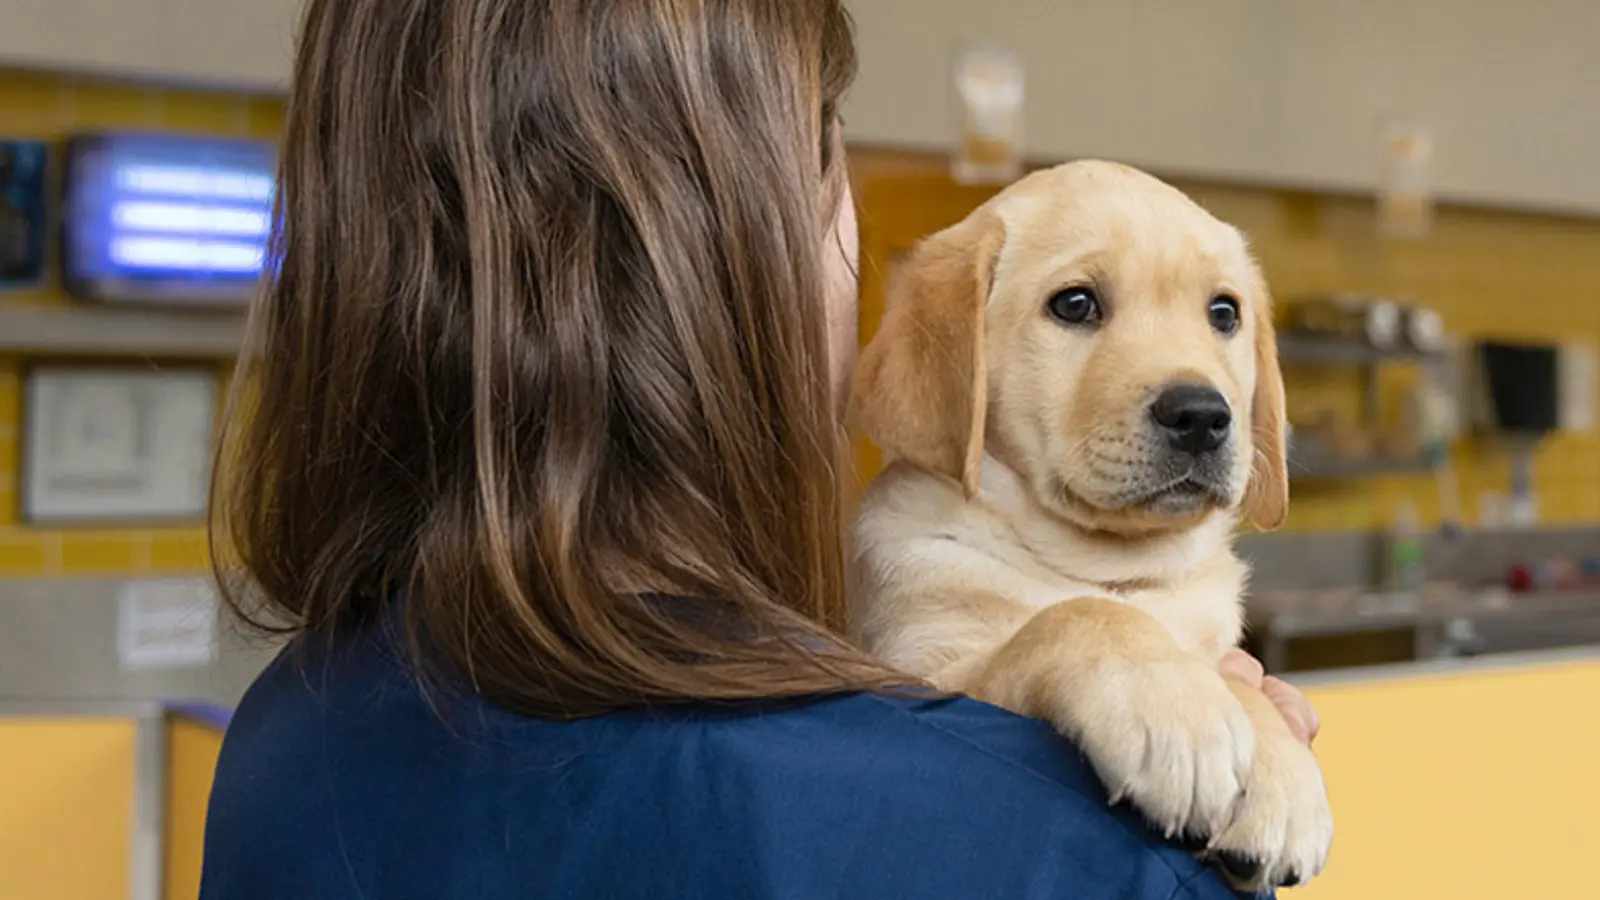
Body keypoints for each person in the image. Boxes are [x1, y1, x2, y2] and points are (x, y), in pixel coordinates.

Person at [199, 1, 1320, 898]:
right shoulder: (1034, 842)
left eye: (1224, 315)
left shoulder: (280, 744)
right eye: (834, 176)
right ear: (734, 268)